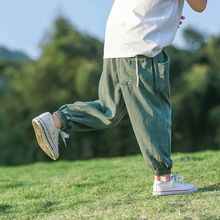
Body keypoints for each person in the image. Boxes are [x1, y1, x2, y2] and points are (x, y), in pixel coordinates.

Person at [32, 0, 207, 196]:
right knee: (154, 111)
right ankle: (163, 180)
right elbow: (200, 5)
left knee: (109, 109)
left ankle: (56, 120)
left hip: (118, 42)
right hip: (142, 45)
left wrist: (166, 15)